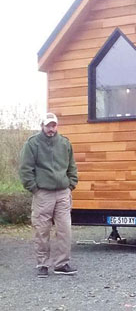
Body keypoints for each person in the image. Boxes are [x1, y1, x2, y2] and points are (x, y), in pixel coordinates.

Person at [18, 113, 78, 278]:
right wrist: (34, 188)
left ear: (57, 126)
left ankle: (61, 264)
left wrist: (71, 183)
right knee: (41, 230)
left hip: (63, 193)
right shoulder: (32, 144)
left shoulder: (65, 143)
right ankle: (42, 264)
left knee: (65, 230)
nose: (51, 129)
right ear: (42, 126)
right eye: (48, 126)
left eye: (53, 125)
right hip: (43, 193)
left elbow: (72, 165)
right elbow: (25, 169)